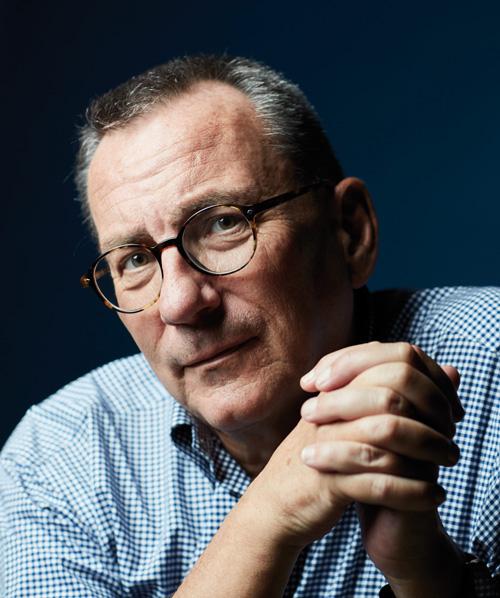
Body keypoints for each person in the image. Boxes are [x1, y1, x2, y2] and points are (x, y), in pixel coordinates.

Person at [1, 55, 499, 598]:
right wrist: (265, 520)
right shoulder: (57, 459)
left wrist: (430, 580)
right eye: (136, 260)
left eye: (223, 223)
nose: (180, 303)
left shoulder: (492, 365)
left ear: (349, 233)